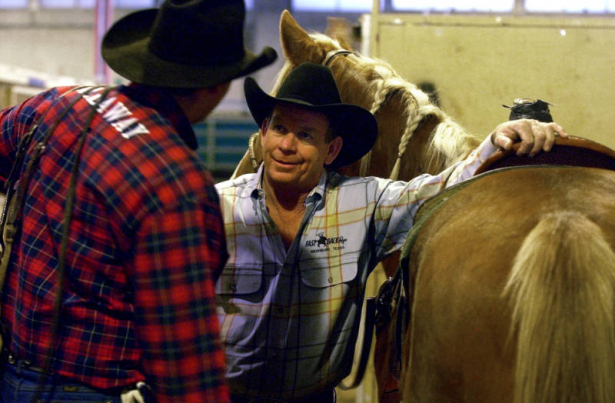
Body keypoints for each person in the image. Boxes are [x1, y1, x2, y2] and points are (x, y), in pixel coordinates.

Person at [214, 62, 567, 403]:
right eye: (279, 129)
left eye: (305, 134)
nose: (286, 146)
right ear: (263, 132)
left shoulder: (362, 203)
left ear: (331, 149)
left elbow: (439, 188)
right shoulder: (218, 206)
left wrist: (495, 142)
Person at [0, 0, 276, 402]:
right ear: (218, 84)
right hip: (98, 389)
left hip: (13, 375)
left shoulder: (56, 107)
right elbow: (185, 364)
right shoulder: (175, 187)